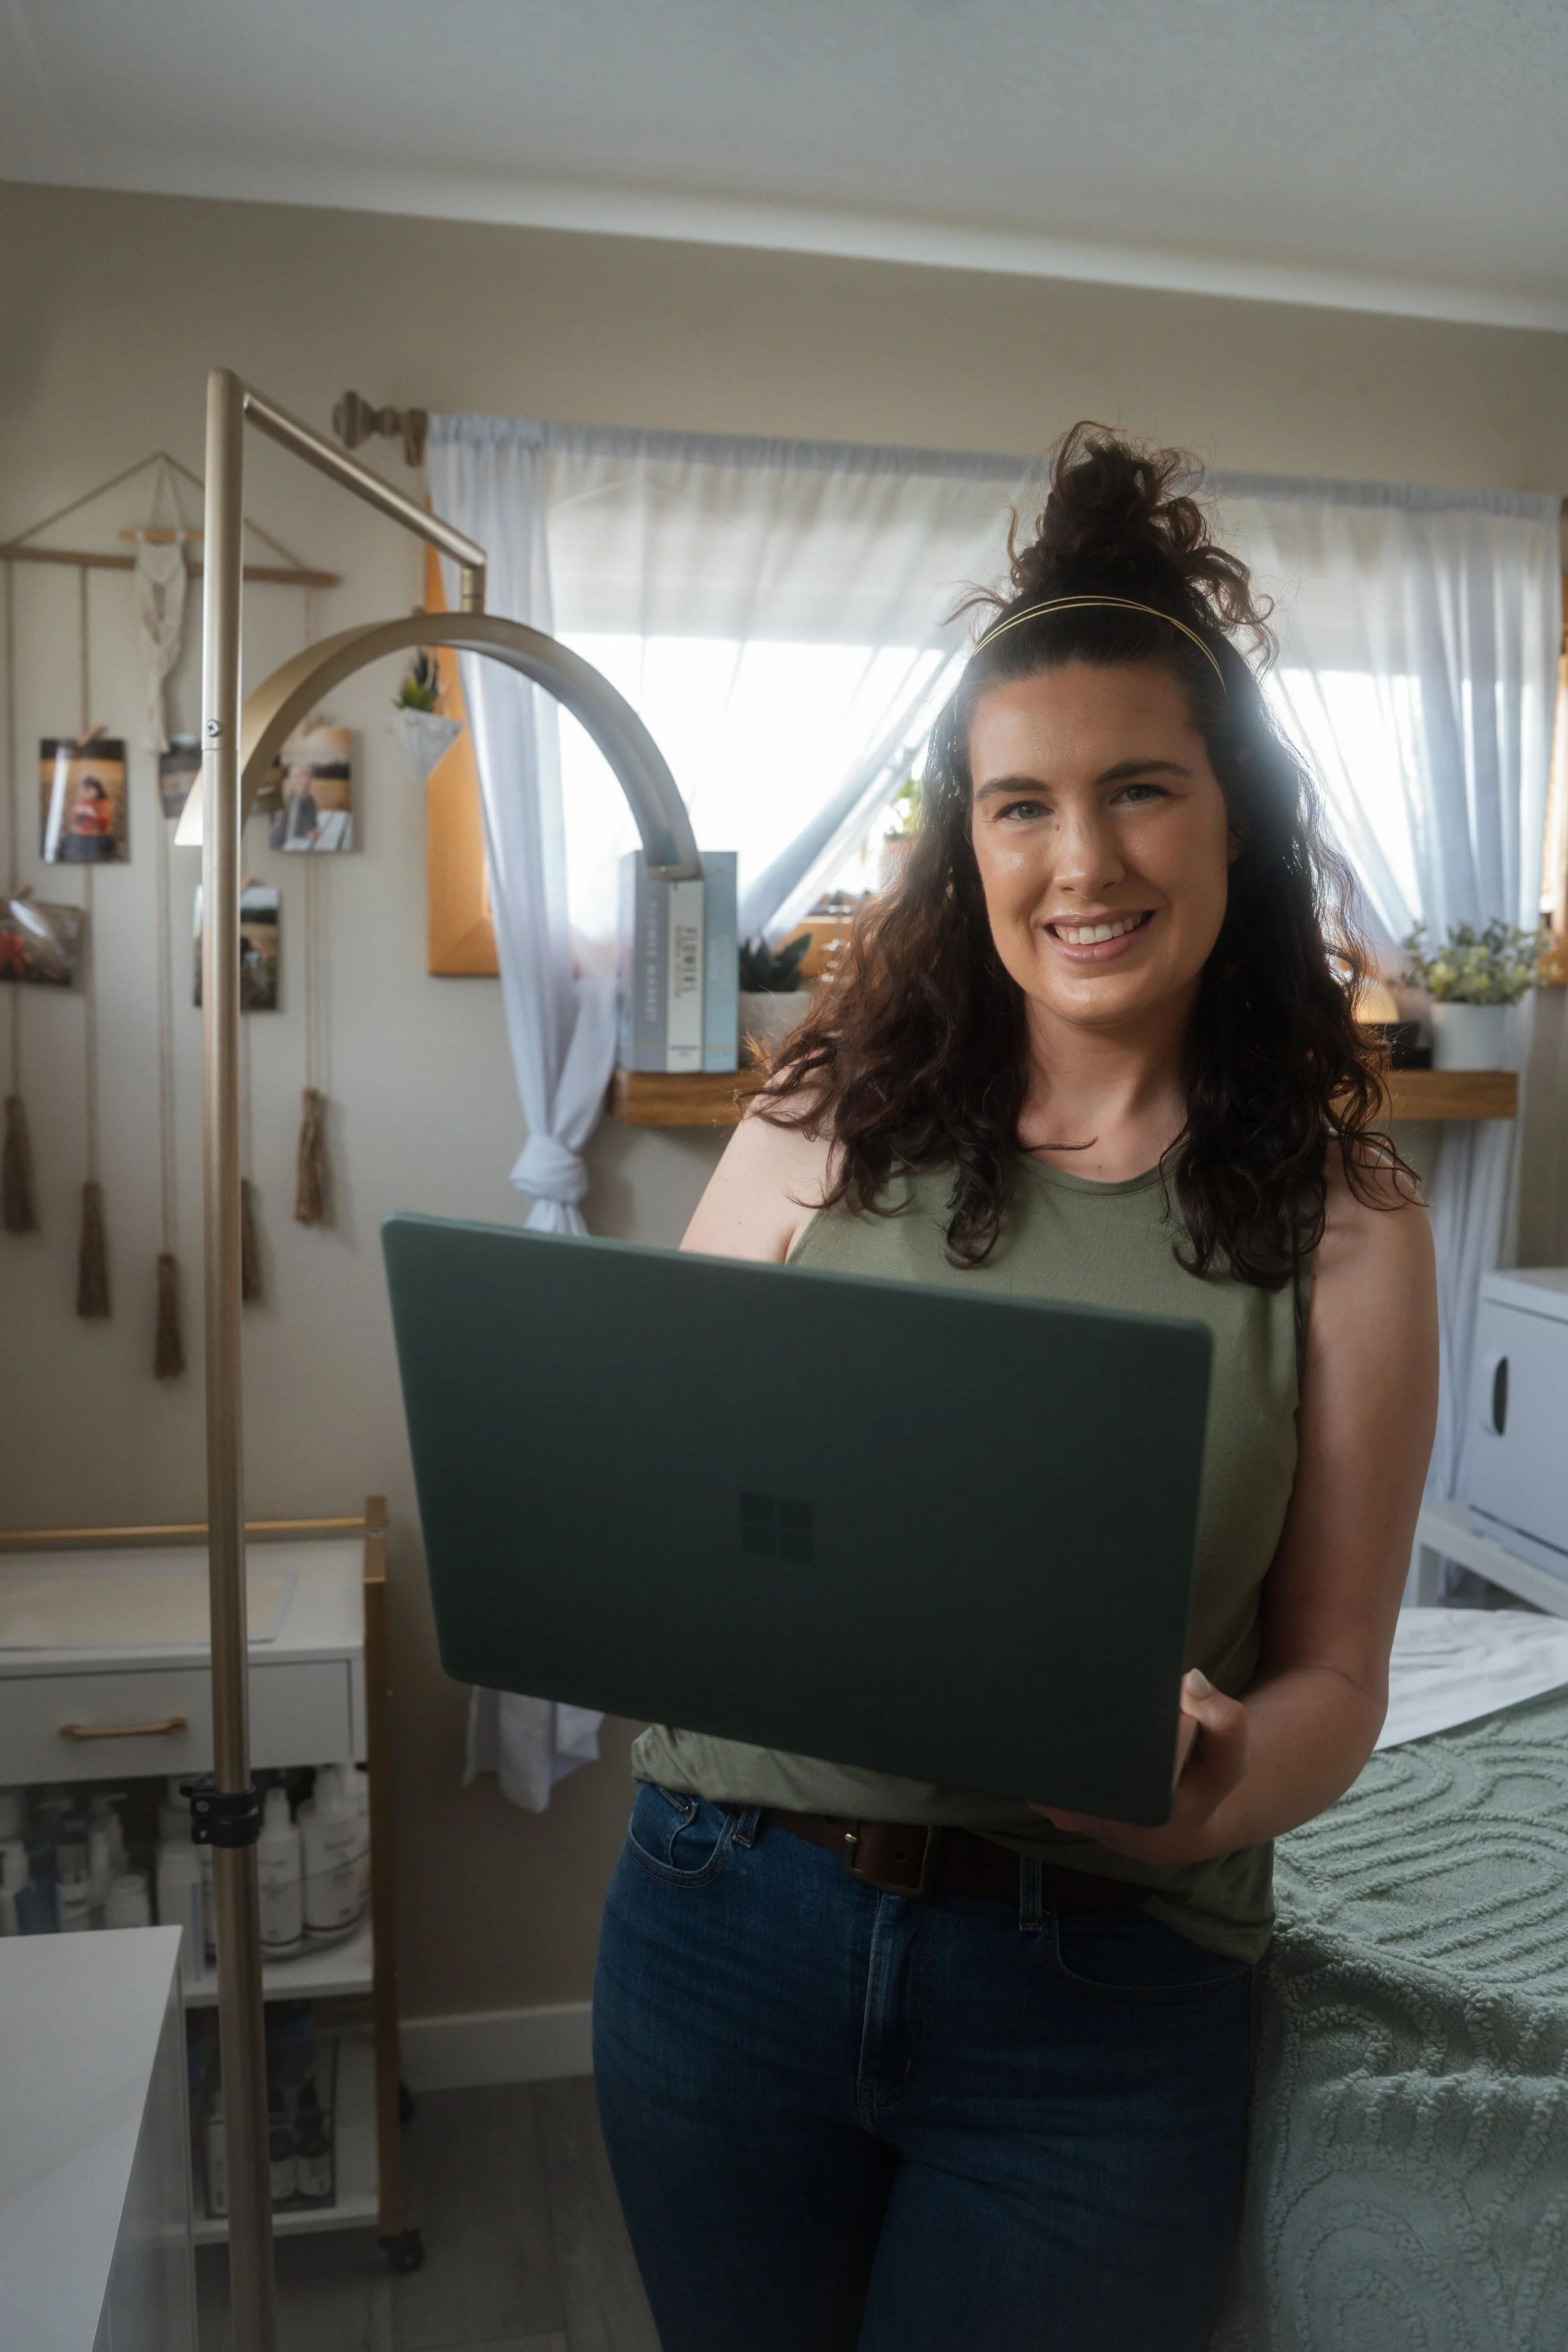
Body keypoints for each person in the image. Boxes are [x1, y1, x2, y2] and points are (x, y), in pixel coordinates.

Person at [592, 425, 1439, 2352]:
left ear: (1234, 822)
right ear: (962, 842)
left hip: (1103, 1998)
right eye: (1020, 804)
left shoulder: (1346, 1220)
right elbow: (659, 1497)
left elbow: (1334, 1680)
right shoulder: (819, 1119)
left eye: (1139, 789)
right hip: (721, 1916)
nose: (1080, 861)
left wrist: (1210, 1789)